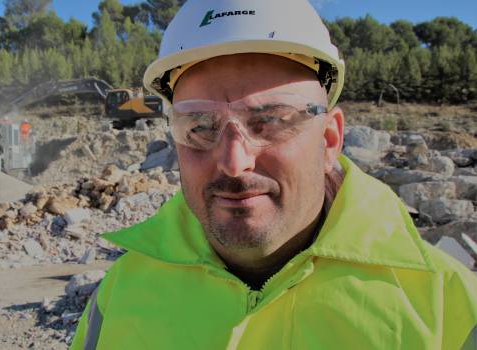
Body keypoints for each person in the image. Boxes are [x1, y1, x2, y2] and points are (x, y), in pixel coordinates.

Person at [71, 0, 477, 349]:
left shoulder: (449, 308)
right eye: (199, 126)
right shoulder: (121, 293)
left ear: (331, 139)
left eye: (272, 121)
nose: (234, 162)